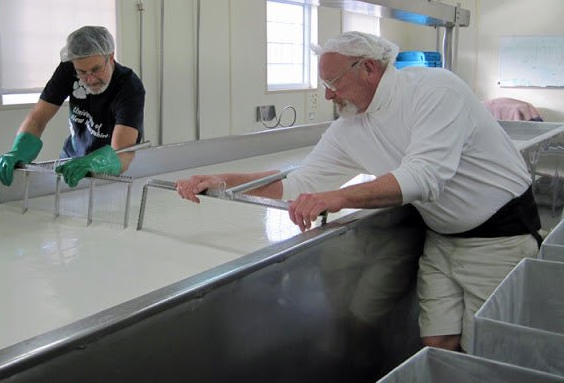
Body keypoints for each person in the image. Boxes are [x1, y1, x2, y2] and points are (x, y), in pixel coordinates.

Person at [176, 31, 541, 354]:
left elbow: (425, 175)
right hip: (443, 238)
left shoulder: (434, 91)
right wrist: (224, 180)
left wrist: (341, 197)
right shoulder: (351, 125)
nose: (328, 94)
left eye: (334, 81)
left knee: (491, 348)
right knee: (438, 342)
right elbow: (300, 183)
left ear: (368, 68)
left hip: (500, 238)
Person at [0, 25, 145, 188]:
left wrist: (94, 164)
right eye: (81, 72)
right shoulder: (68, 70)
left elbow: (123, 152)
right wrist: (19, 149)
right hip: (71, 160)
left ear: (110, 57)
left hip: (110, 169)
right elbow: (38, 117)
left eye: (96, 69)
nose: (90, 79)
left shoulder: (129, 87)